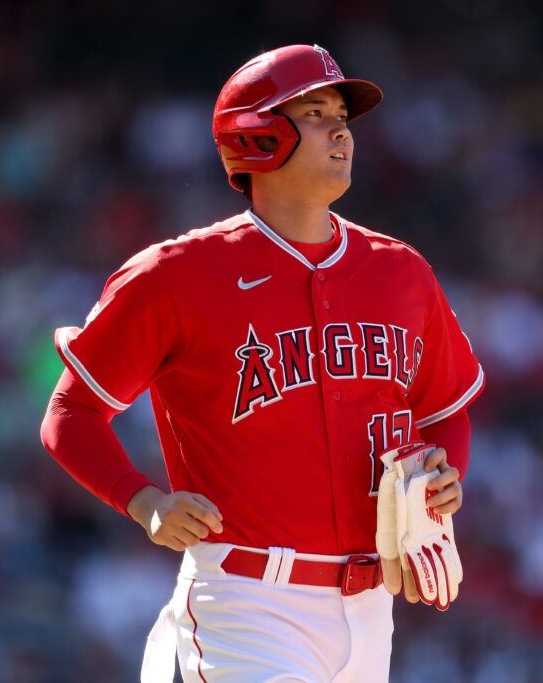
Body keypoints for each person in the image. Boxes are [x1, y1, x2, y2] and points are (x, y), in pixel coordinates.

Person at [40, 43, 484, 682]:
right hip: (246, 601)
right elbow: (70, 412)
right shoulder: (176, 275)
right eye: (313, 112)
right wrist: (142, 501)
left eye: (341, 113)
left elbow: (446, 412)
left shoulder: (401, 271)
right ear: (255, 137)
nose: (340, 128)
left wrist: (444, 481)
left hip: (371, 610)